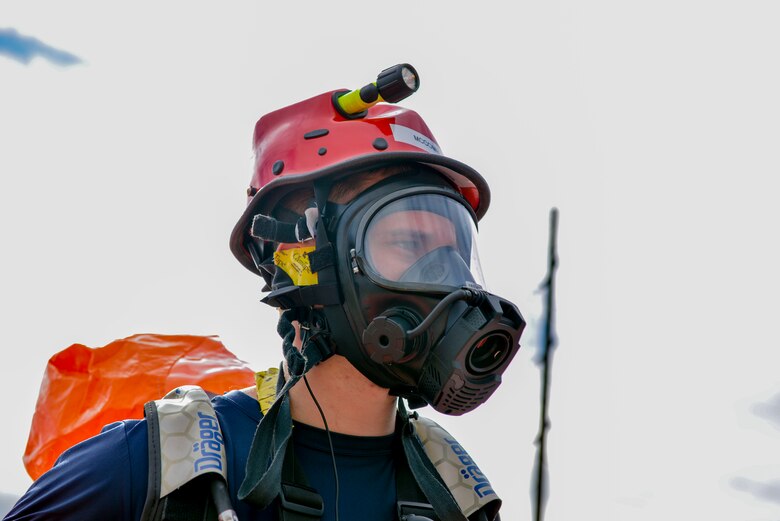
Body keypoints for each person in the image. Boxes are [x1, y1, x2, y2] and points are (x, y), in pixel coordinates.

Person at [5, 64, 525, 521]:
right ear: (299, 260)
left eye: (457, 250)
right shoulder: (155, 467)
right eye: (408, 240)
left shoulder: (459, 500)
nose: (448, 279)